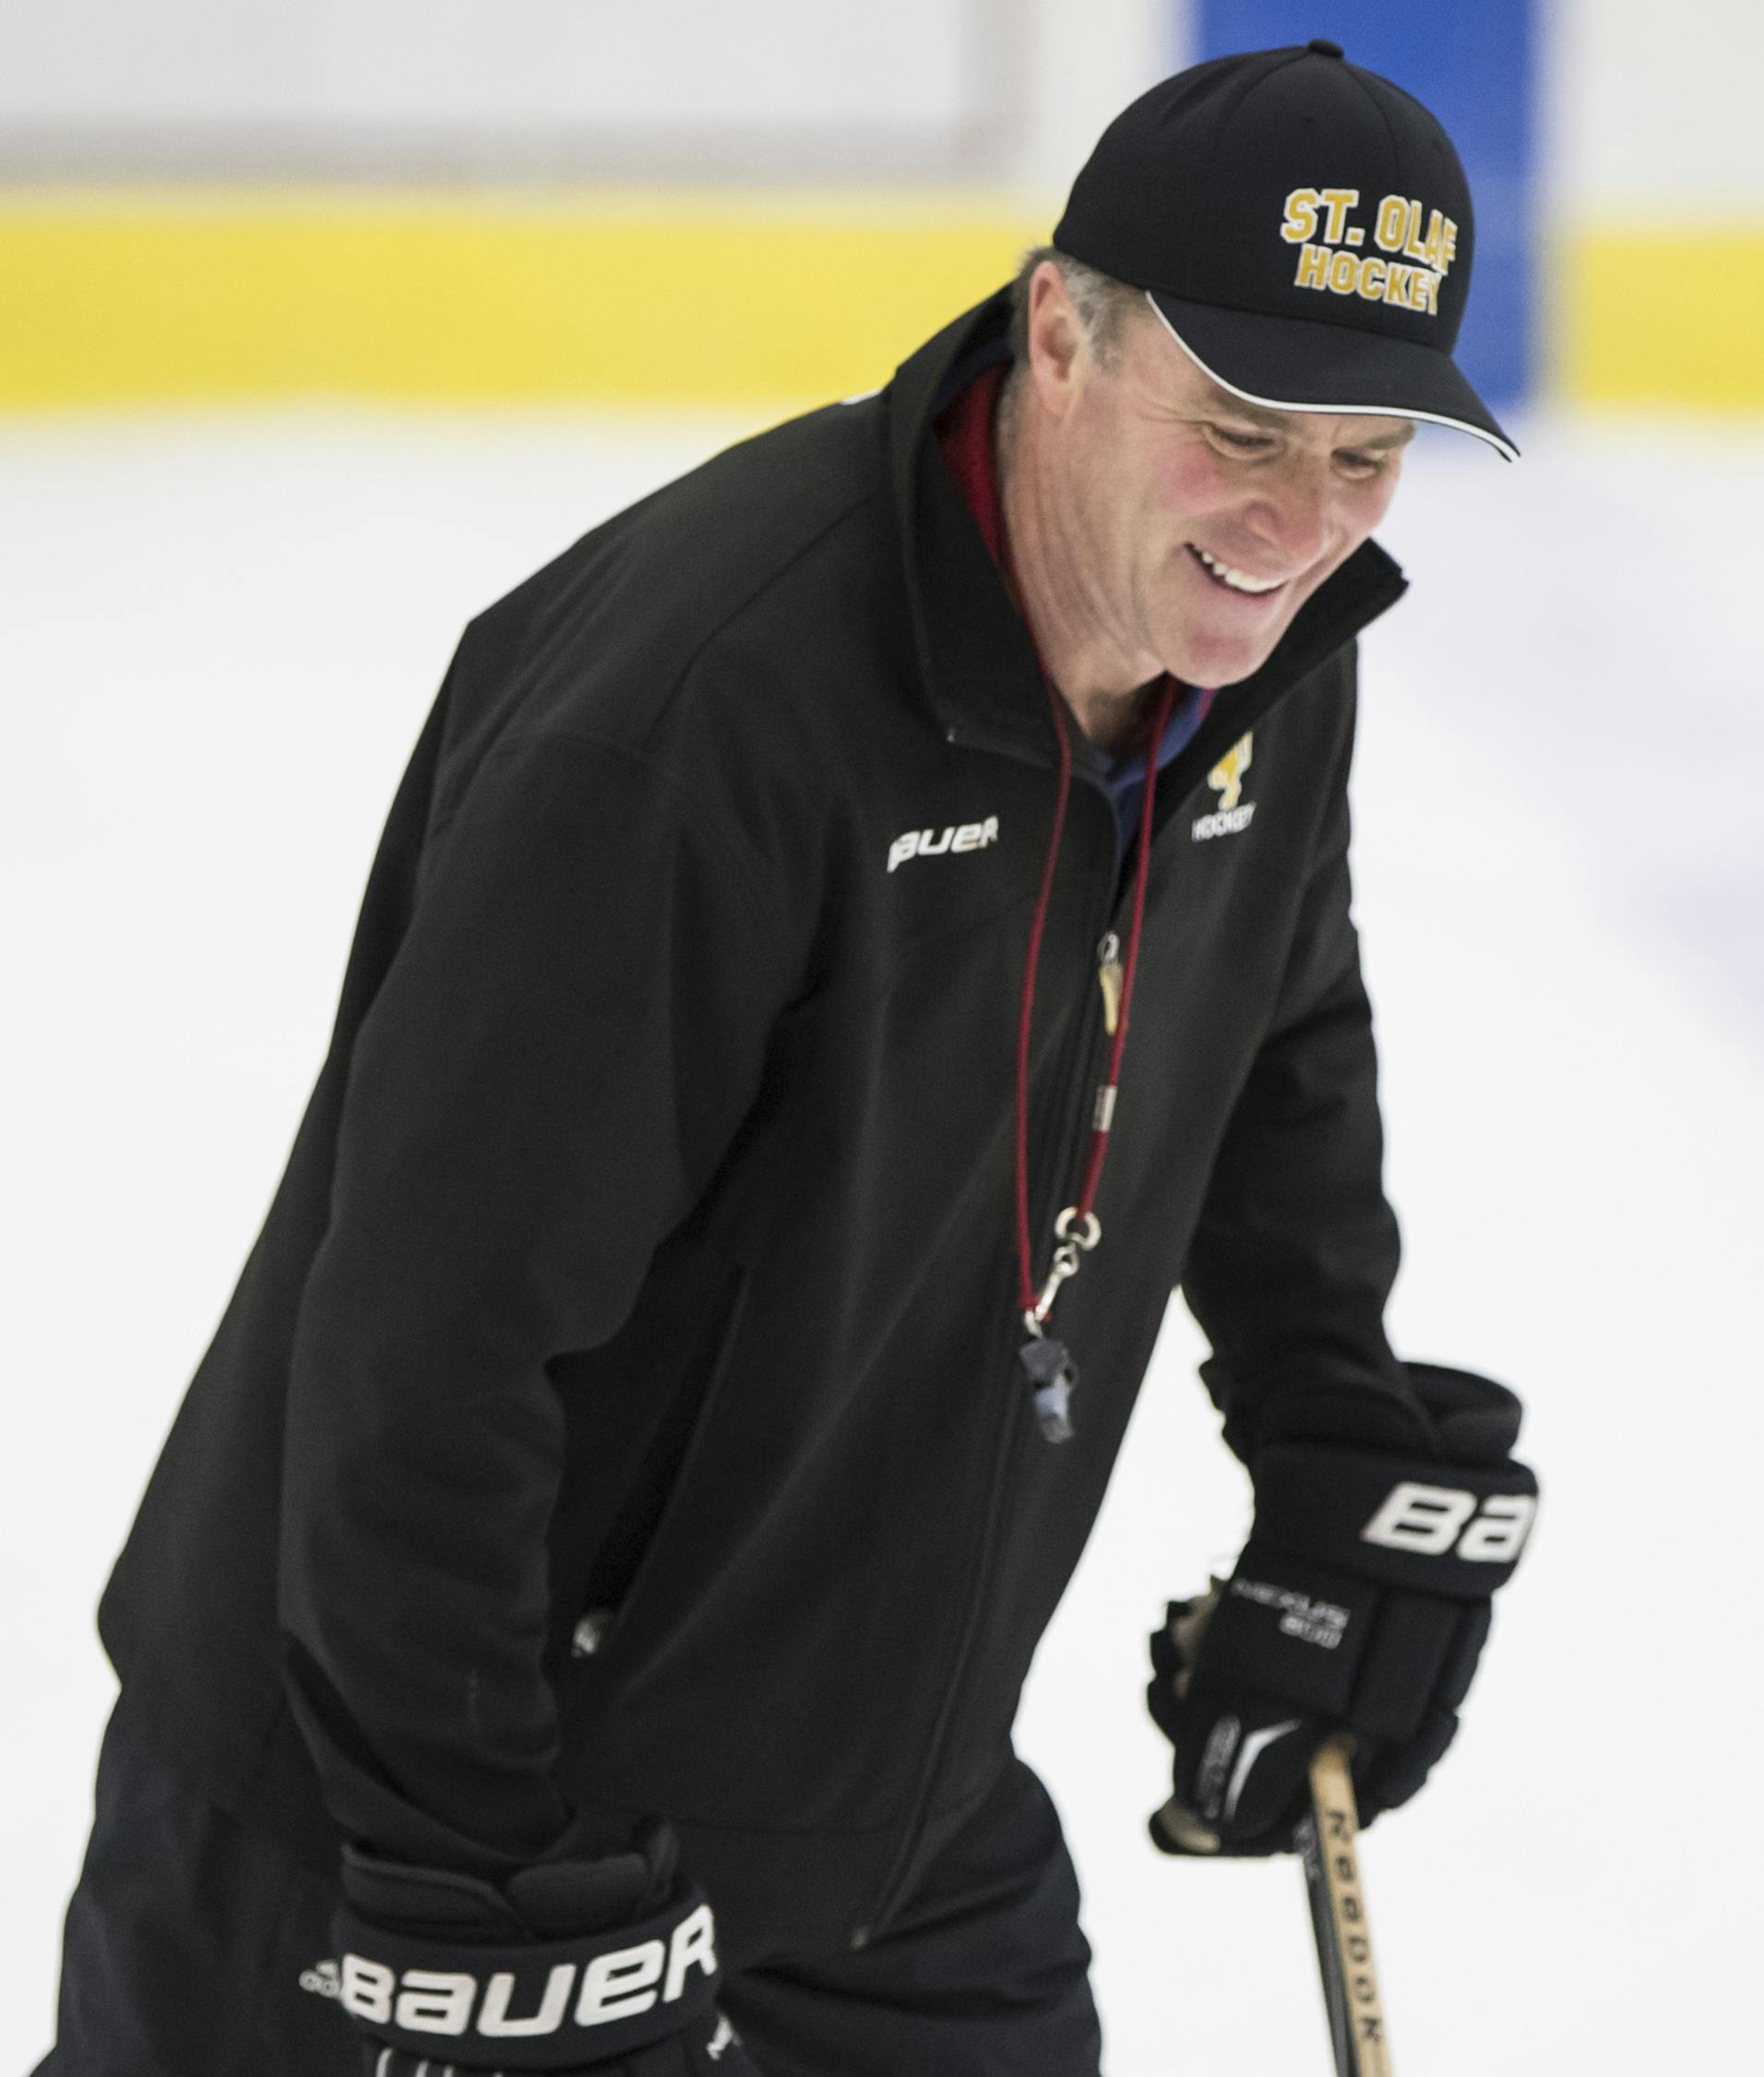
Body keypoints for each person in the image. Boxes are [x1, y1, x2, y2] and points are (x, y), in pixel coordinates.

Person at [35, 39, 1538, 2077]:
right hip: (397, 1812)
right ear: (1060, 335)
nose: (1297, 523)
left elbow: (1273, 1035)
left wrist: (1337, 1436)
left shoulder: (1259, 661)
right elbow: (425, 1347)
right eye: (1246, 426)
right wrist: (481, 1875)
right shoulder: (701, 718)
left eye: (1368, 452)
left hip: (864, 1804)